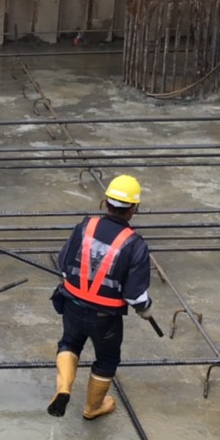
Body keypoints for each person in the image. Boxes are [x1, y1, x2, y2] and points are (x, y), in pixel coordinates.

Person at [49, 175, 153, 421]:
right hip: (104, 317)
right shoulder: (135, 244)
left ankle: (64, 388)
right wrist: (145, 308)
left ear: (105, 201)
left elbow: (64, 265)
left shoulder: (85, 226)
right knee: (106, 360)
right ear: (134, 209)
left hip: (72, 304)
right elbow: (135, 295)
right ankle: (93, 408)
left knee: (69, 344)